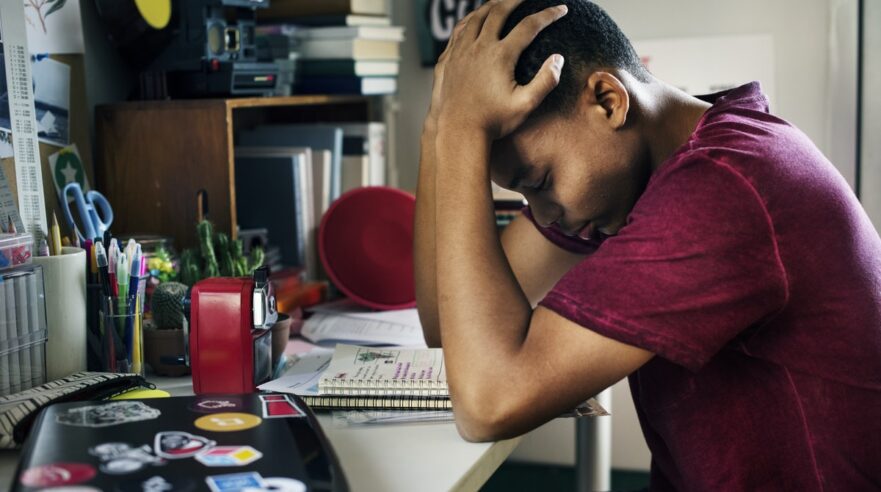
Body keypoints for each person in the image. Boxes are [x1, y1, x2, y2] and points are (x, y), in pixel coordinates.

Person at [413, 0, 881, 489]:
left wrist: (463, 130)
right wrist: (439, 129)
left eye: (541, 180)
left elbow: (489, 402)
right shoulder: (648, 173)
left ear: (609, 101)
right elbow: (447, 322)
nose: (544, 212)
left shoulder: (724, 187)